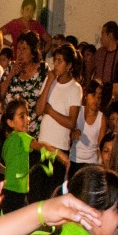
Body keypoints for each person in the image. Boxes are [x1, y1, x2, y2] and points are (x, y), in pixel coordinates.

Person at [0, 99, 66, 215]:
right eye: (22, 116)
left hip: (11, 191)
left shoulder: (9, 140)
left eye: (27, 115)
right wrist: (62, 156)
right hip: (15, 192)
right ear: (10, 123)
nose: (28, 119)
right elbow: (41, 146)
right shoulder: (21, 137)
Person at [32, 43, 82, 200]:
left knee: (51, 193)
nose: (56, 65)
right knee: (37, 192)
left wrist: (51, 111)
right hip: (43, 146)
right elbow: (39, 110)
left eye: (60, 61)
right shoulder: (50, 81)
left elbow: (71, 122)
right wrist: (48, 83)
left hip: (59, 148)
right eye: (55, 61)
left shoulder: (74, 88)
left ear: (69, 65)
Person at [69, 79, 104, 177]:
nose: (96, 100)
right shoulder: (78, 111)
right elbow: (68, 133)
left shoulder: (101, 118)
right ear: (86, 95)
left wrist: (100, 165)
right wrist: (73, 133)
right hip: (74, 159)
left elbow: (100, 146)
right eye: (93, 95)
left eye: (99, 97)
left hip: (91, 163)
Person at [93, 22, 118, 109]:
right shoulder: (99, 53)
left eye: (103, 34)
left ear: (110, 35)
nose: (101, 37)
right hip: (101, 96)